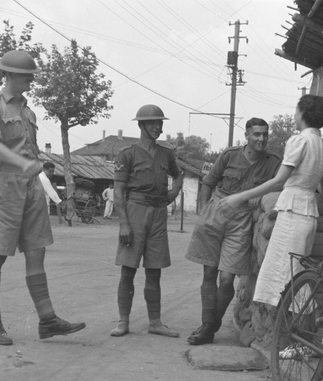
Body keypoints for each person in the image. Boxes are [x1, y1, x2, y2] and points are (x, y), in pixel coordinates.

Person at [0, 50, 86, 345]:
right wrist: (22, 163)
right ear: (10, 75)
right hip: (3, 188)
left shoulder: (29, 111)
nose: (31, 80)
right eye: (27, 75)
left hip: (30, 188)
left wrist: (32, 168)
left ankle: (47, 320)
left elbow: (32, 150)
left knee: (37, 252)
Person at [221, 94, 323, 308]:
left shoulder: (299, 140)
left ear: (303, 114)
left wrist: (240, 196)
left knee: (287, 276)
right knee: (296, 273)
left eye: (296, 111)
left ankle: (295, 335)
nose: (294, 115)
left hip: (292, 212)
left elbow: (279, 181)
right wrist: (311, 176)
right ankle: (294, 333)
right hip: (309, 215)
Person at [185, 118, 281, 345]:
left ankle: (210, 325)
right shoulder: (229, 155)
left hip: (242, 220)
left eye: (265, 134)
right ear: (246, 135)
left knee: (226, 279)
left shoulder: (274, 162)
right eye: (256, 134)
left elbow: (280, 184)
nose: (261, 139)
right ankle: (207, 327)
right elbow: (208, 182)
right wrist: (204, 212)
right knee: (209, 274)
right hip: (216, 212)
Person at [110, 104, 183, 338]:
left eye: (160, 123)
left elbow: (178, 175)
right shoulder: (127, 154)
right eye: (152, 123)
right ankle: (123, 321)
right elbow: (118, 191)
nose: (157, 127)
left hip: (159, 213)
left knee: (154, 271)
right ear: (141, 125)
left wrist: (173, 193)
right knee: (128, 270)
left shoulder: (166, 154)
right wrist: (124, 223)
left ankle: (155, 322)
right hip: (136, 211)